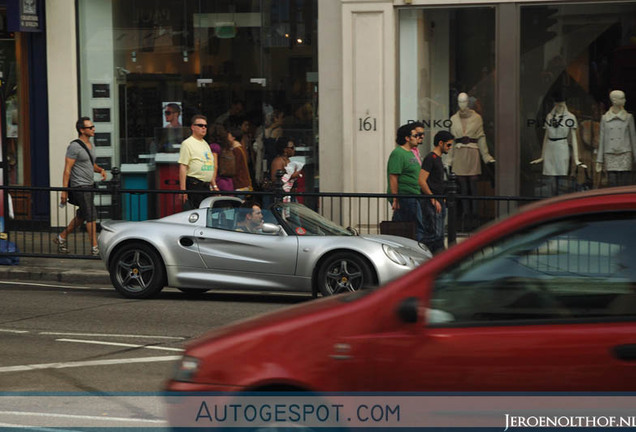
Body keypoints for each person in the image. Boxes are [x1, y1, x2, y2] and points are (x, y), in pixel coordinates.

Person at [55, 117, 108, 256]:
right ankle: (95, 248)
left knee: (82, 215)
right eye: (90, 127)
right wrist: (64, 191)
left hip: (89, 185)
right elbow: (67, 169)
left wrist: (100, 170)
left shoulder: (91, 145)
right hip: (80, 186)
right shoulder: (74, 147)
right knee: (91, 215)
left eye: (93, 126)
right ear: (82, 130)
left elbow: (90, 165)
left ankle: (61, 237)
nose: (93, 129)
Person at [448, 92, 495, 222]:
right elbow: (452, 141)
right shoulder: (453, 119)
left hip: (473, 151)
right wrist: (448, 160)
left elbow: (481, 137)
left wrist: (486, 156)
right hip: (459, 153)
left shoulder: (477, 118)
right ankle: (465, 213)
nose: (462, 104)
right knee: (462, 185)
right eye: (459, 102)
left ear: (468, 102)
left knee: (473, 183)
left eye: (464, 101)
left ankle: (475, 212)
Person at [531, 92, 585, 195]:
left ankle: (560, 199)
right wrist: (542, 156)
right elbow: (546, 136)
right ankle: (552, 200)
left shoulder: (570, 117)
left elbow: (574, 139)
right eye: (557, 105)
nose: (559, 107)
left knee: (561, 175)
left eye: (561, 105)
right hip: (550, 148)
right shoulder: (549, 117)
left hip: (562, 147)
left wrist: (576, 158)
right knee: (550, 177)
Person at [387, 123, 425, 242]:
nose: (417, 137)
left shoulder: (411, 153)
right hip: (405, 195)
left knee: (408, 227)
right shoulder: (398, 153)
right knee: (415, 228)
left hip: (414, 194)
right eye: (415, 135)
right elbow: (393, 176)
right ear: (407, 138)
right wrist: (395, 198)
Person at [419, 130, 454, 254]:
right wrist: (432, 198)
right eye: (448, 145)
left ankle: (439, 261)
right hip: (432, 200)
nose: (450, 148)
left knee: (438, 234)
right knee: (434, 234)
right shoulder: (431, 158)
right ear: (440, 143)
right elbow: (422, 180)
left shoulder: (437, 159)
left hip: (437, 199)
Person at [596, 90, 636, 187]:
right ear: (614, 100)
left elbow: (633, 138)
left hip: (625, 153)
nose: (625, 100)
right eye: (622, 98)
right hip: (610, 153)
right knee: (612, 184)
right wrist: (599, 160)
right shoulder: (605, 119)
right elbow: (602, 140)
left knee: (625, 183)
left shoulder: (628, 117)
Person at [178, 114, 218, 209]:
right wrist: (183, 190)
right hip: (194, 185)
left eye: (205, 126)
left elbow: (209, 165)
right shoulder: (187, 143)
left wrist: (214, 186)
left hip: (206, 186)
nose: (203, 128)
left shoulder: (205, 144)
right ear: (193, 127)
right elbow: (183, 166)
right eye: (200, 125)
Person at [209, 123, 235, 192]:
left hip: (219, 181)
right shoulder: (227, 147)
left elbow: (215, 166)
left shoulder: (214, 147)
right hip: (229, 182)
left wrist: (213, 184)